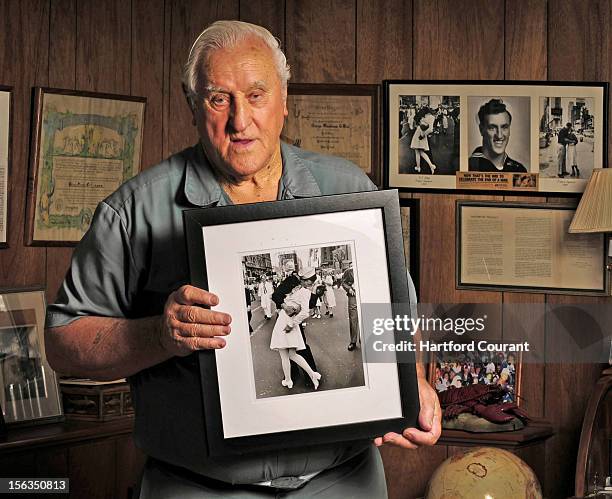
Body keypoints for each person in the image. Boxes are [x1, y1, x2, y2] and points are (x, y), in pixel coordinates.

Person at [44, 20, 440, 498]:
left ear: (284, 100)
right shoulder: (133, 212)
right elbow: (63, 343)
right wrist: (158, 334)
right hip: (197, 487)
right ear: (193, 105)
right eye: (218, 99)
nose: (240, 120)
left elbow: (396, 311)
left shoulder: (349, 188)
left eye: (256, 95)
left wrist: (412, 378)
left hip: (342, 482)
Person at [269, 267, 322, 389]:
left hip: (292, 320)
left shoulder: (306, 289)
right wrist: (285, 306)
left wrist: (300, 307)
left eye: (311, 282)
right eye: (308, 281)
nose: (308, 284)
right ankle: (294, 376)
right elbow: (276, 295)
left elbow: (310, 304)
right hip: (287, 317)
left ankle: (306, 375)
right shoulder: (291, 281)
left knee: (297, 349)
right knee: (291, 351)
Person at [468, 98, 527, 173]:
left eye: (504, 127)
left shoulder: (520, 170)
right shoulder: (469, 168)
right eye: (492, 128)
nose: (499, 136)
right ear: (481, 130)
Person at [410, 108, 437, 174]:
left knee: (417, 152)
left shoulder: (422, 117)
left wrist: (422, 135)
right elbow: (430, 129)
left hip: (418, 133)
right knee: (421, 152)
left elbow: (413, 125)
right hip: (422, 133)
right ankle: (430, 165)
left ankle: (418, 167)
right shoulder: (431, 117)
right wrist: (424, 135)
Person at [341, 261, 359, 351]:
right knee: (353, 319)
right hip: (353, 296)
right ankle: (353, 341)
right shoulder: (348, 271)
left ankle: (363, 339)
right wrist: (349, 289)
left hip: (365, 296)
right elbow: (343, 282)